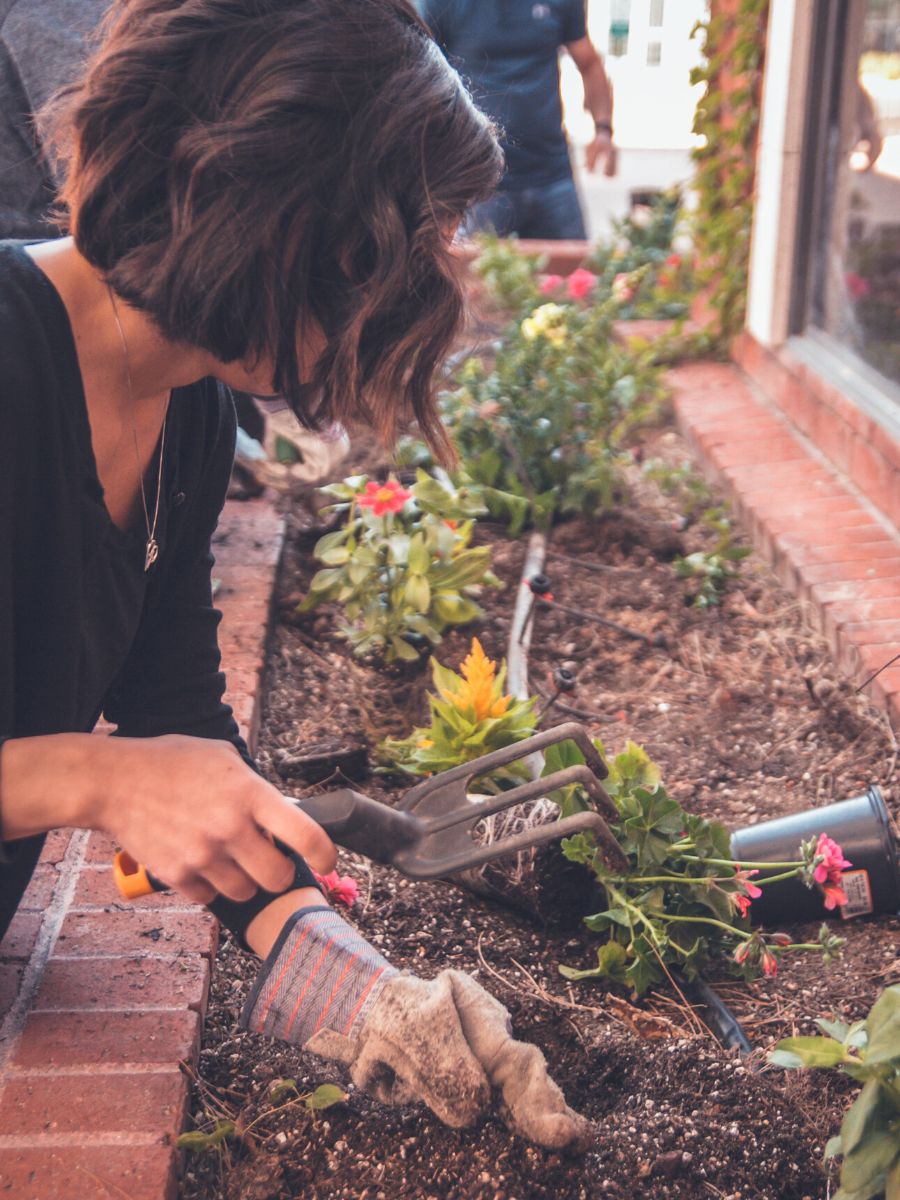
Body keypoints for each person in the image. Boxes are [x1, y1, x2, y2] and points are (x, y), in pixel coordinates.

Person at [0, 0, 591, 1150]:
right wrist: (93, 778)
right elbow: (133, 771)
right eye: (388, 251)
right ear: (267, 219)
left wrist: (370, 993)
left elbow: (180, 728)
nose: (397, 302)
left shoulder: (190, 417)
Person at [417, 0, 616, 240]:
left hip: (552, 174)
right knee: (474, 274)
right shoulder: (441, 4)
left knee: (573, 272)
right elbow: (421, 74)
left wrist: (603, 129)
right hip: (480, 182)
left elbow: (589, 63)